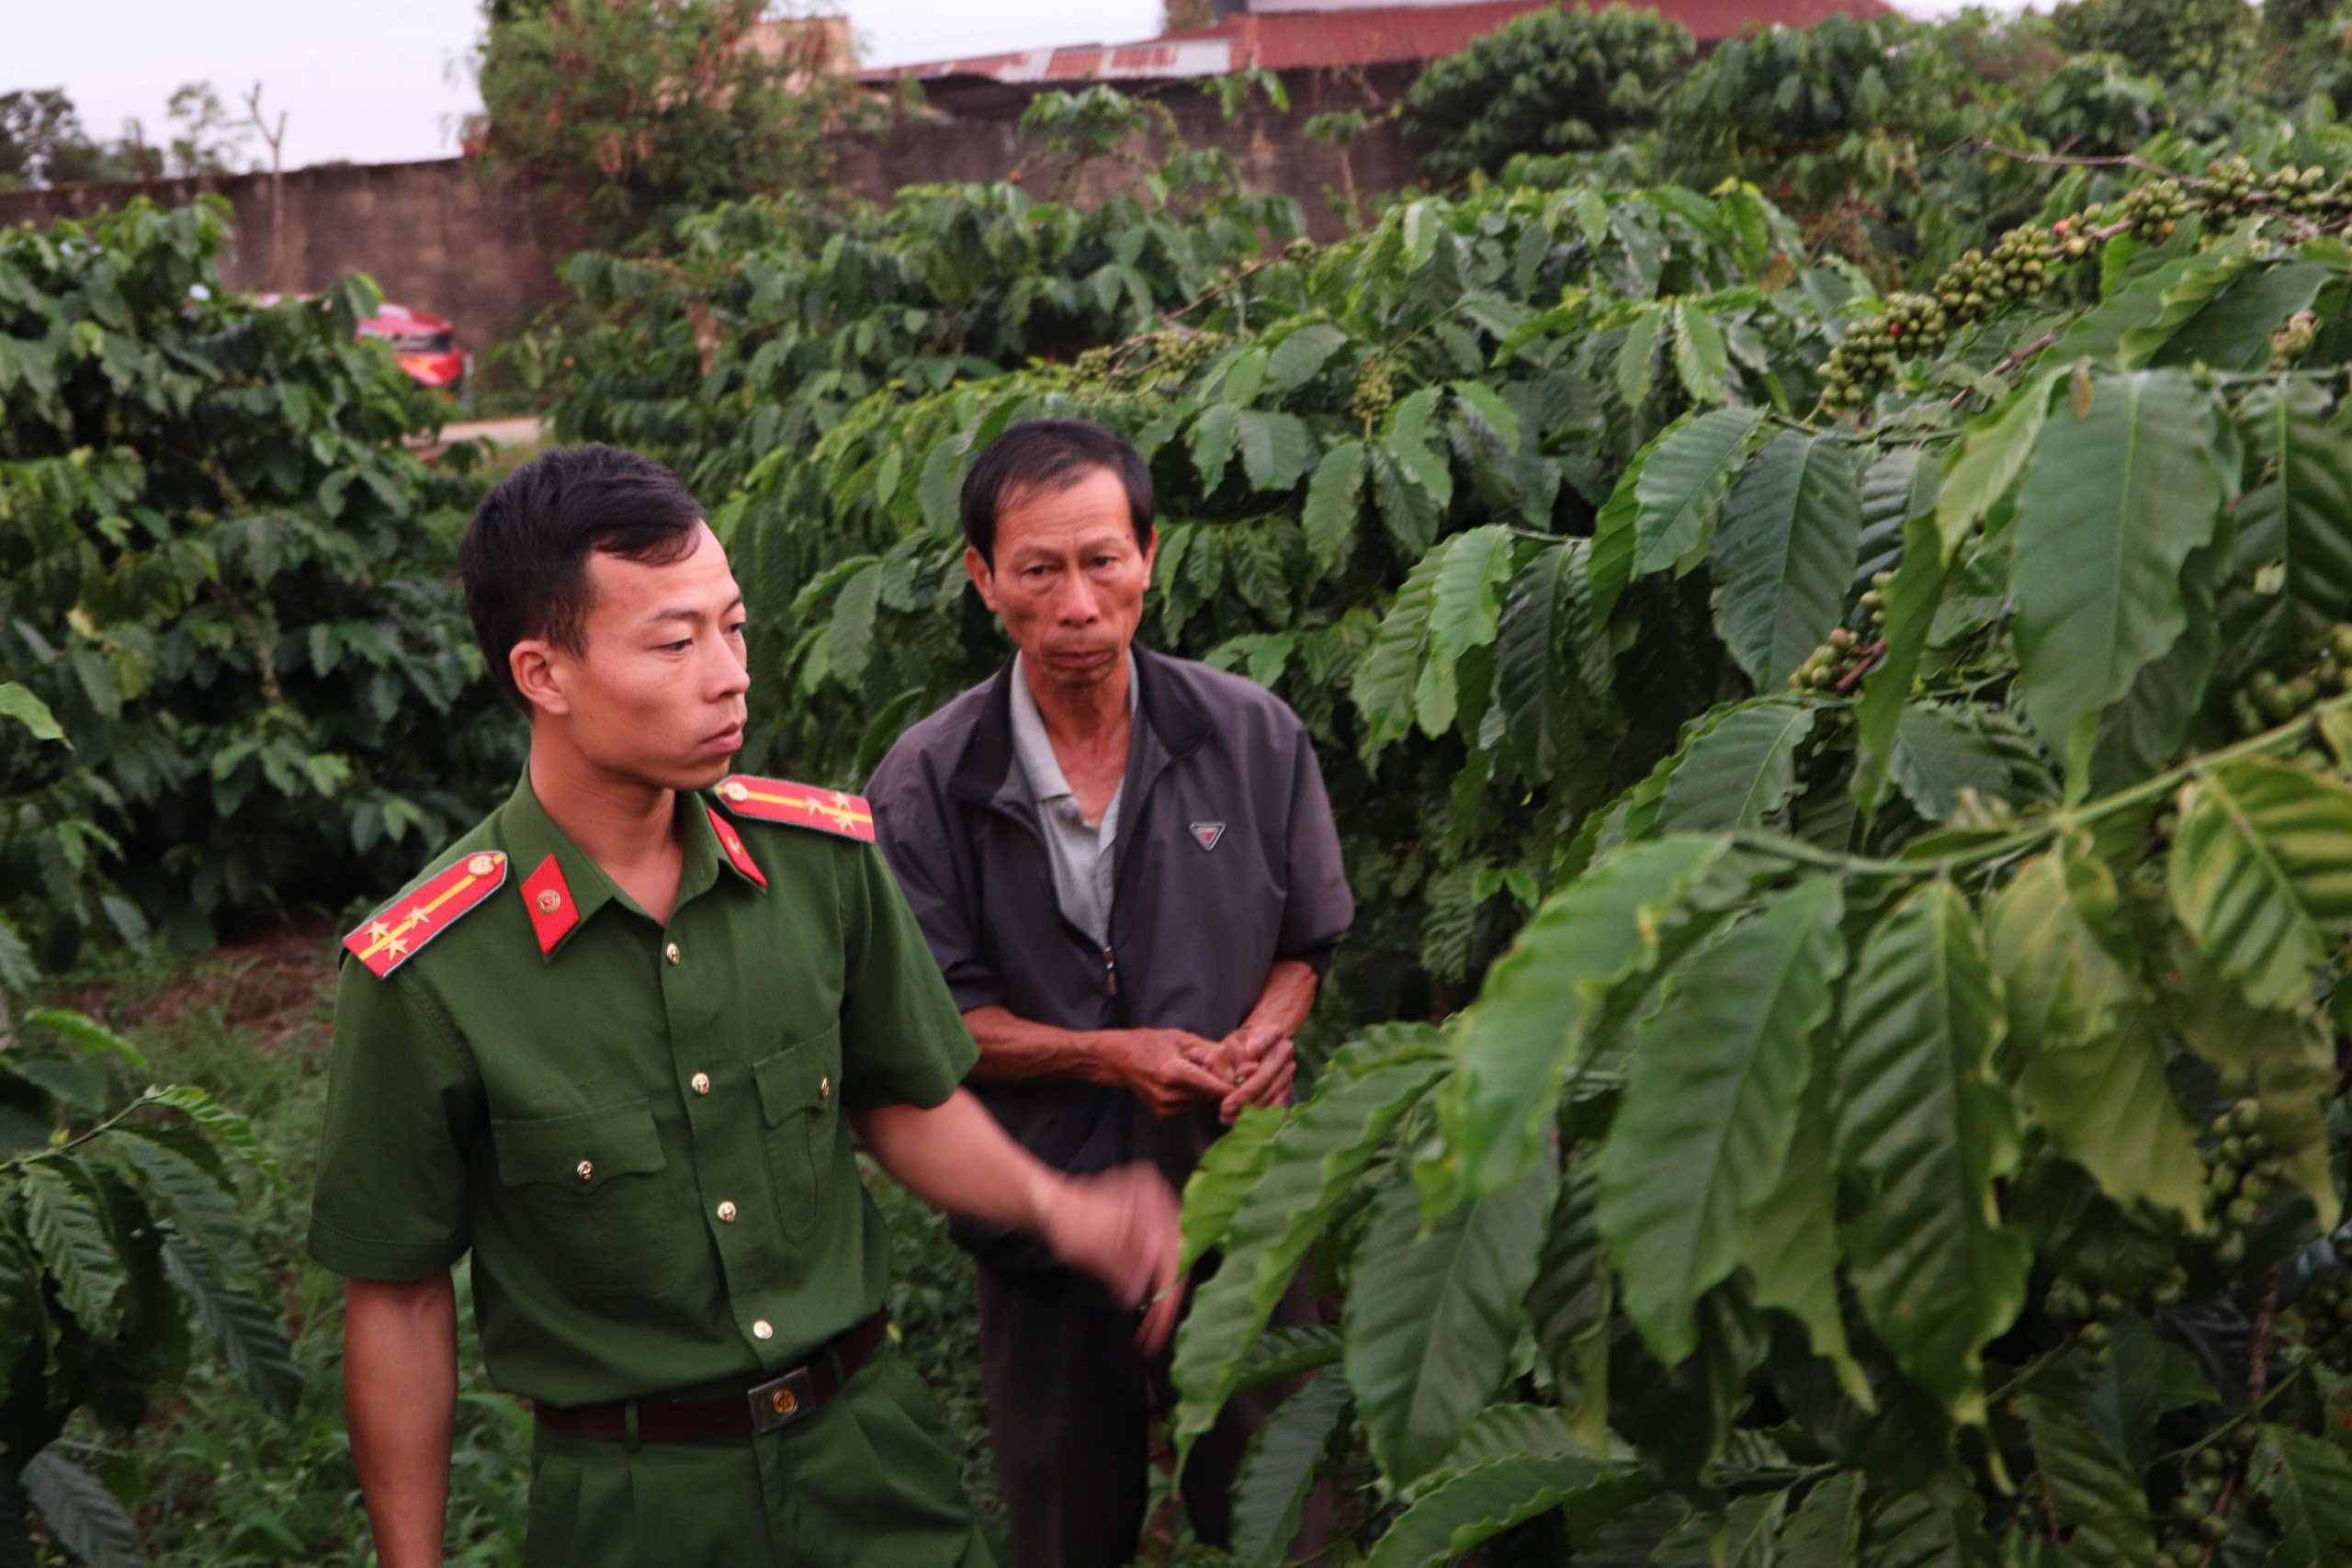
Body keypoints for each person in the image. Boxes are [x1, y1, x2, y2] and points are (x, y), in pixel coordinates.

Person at [307, 443, 1183, 1568]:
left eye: (733, 628)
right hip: (636, 1506)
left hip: (869, 1457)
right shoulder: (429, 971)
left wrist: (1064, 1208)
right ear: (544, 674)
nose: (729, 675)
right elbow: (399, 1301)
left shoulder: (819, 862)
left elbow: (899, 1100)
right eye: (674, 643)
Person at [865, 418, 1355, 1568]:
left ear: (1150, 555)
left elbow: (1305, 944)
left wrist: (1263, 1036)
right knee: (1066, 1538)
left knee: (1285, 1529)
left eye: (1103, 561)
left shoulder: (1249, 737)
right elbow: (931, 1023)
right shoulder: (928, 782)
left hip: (1241, 1217)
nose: (1077, 604)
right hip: (1048, 1231)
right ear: (985, 580)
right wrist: (1107, 1055)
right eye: (1038, 570)